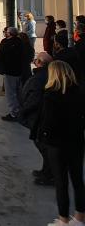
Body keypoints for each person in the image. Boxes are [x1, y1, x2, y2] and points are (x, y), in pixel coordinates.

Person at [38, 61, 85, 226]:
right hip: (76, 142)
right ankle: (80, 217)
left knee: (61, 182)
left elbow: (48, 122)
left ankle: (63, 219)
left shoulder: (51, 95)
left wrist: (43, 135)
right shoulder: (78, 93)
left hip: (57, 144)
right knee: (78, 180)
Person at [19, 52, 54, 186]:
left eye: (36, 60)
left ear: (40, 63)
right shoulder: (46, 75)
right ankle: (46, 171)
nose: (34, 62)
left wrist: (24, 111)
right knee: (42, 145)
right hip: (40, 116)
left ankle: (50, 174)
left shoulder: (40, 77)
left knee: (43, 146)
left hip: (38, 116)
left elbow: (34, 98)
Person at [0, 27, 26, 121]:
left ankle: (14, 113)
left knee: (11, 93)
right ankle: (20, 111)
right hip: (18, 71)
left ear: (10, 34)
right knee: (18, 91)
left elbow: (1, 54)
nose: (4, 33)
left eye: (6, 32)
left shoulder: (7, 43)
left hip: (10, 71)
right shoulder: (20, 42)